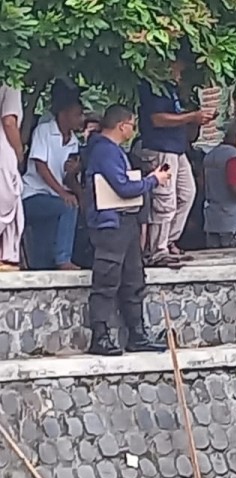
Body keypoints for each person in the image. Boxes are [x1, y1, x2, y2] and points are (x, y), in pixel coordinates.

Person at [84, 105, 171, 355]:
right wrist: (153, 180)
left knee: (133, 278)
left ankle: (137, 334)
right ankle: (100, 336)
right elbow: (122, 187)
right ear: (122, 125)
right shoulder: (104, 150)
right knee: (107, 278)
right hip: (110, 222)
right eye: (132, 125)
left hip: (125, 222)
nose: (133, 130)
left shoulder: (113, 151)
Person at [137, 59, 214, 264]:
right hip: (161, 148)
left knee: (187, 194)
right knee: (165, 199)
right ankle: (157, 249)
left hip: (177, 150)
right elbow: (157, 119)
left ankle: (169, 240)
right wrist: (191, 118)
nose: (182, 72)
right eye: (180, 67)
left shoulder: (172, 89)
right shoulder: (155, 88)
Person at [21, 95, 84, 270]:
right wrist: (62, 193)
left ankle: (43, 268)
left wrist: (73, 172)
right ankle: (64, 259)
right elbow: (41, 166)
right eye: (77, 114)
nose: (81, 119)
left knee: (44, 246)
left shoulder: (74, 142)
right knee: (68, 206)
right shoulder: (44, 130)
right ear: (63, 114)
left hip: (53, 197)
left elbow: (66, 179)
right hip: (33, 194)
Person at [202, 119, 236, 249]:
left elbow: (202, 184)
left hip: (212, 220)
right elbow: (235, 187)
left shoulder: (210, 155)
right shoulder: (234, 157)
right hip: (235, 221)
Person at [0, 84, 21, 271]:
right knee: (6, 200)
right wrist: (19, 150)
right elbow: (9, 121)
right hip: (3, 151)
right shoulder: (11, 83)